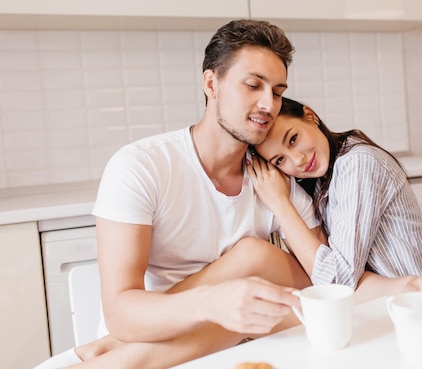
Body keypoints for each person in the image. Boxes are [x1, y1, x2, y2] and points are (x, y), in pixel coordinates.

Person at [34, 20, 319, 369]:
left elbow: (322, 281)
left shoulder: (272, 178)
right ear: (211, 83)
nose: (268, 104)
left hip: (235, 347)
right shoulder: (141, 166)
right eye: (252, 85)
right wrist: (215, 304)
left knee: (255, 257)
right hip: (145, 339)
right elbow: (121, 314)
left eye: (276, 91)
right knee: (253, 260)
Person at [247, 97, 422, 301]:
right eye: (280, 160)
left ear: (310, 116)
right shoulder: (321, 183)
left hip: (411, 308)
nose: (298, 160)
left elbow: (338, 284)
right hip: (378, 307)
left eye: (293, 139)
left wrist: (279, 204)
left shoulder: (357, 163)